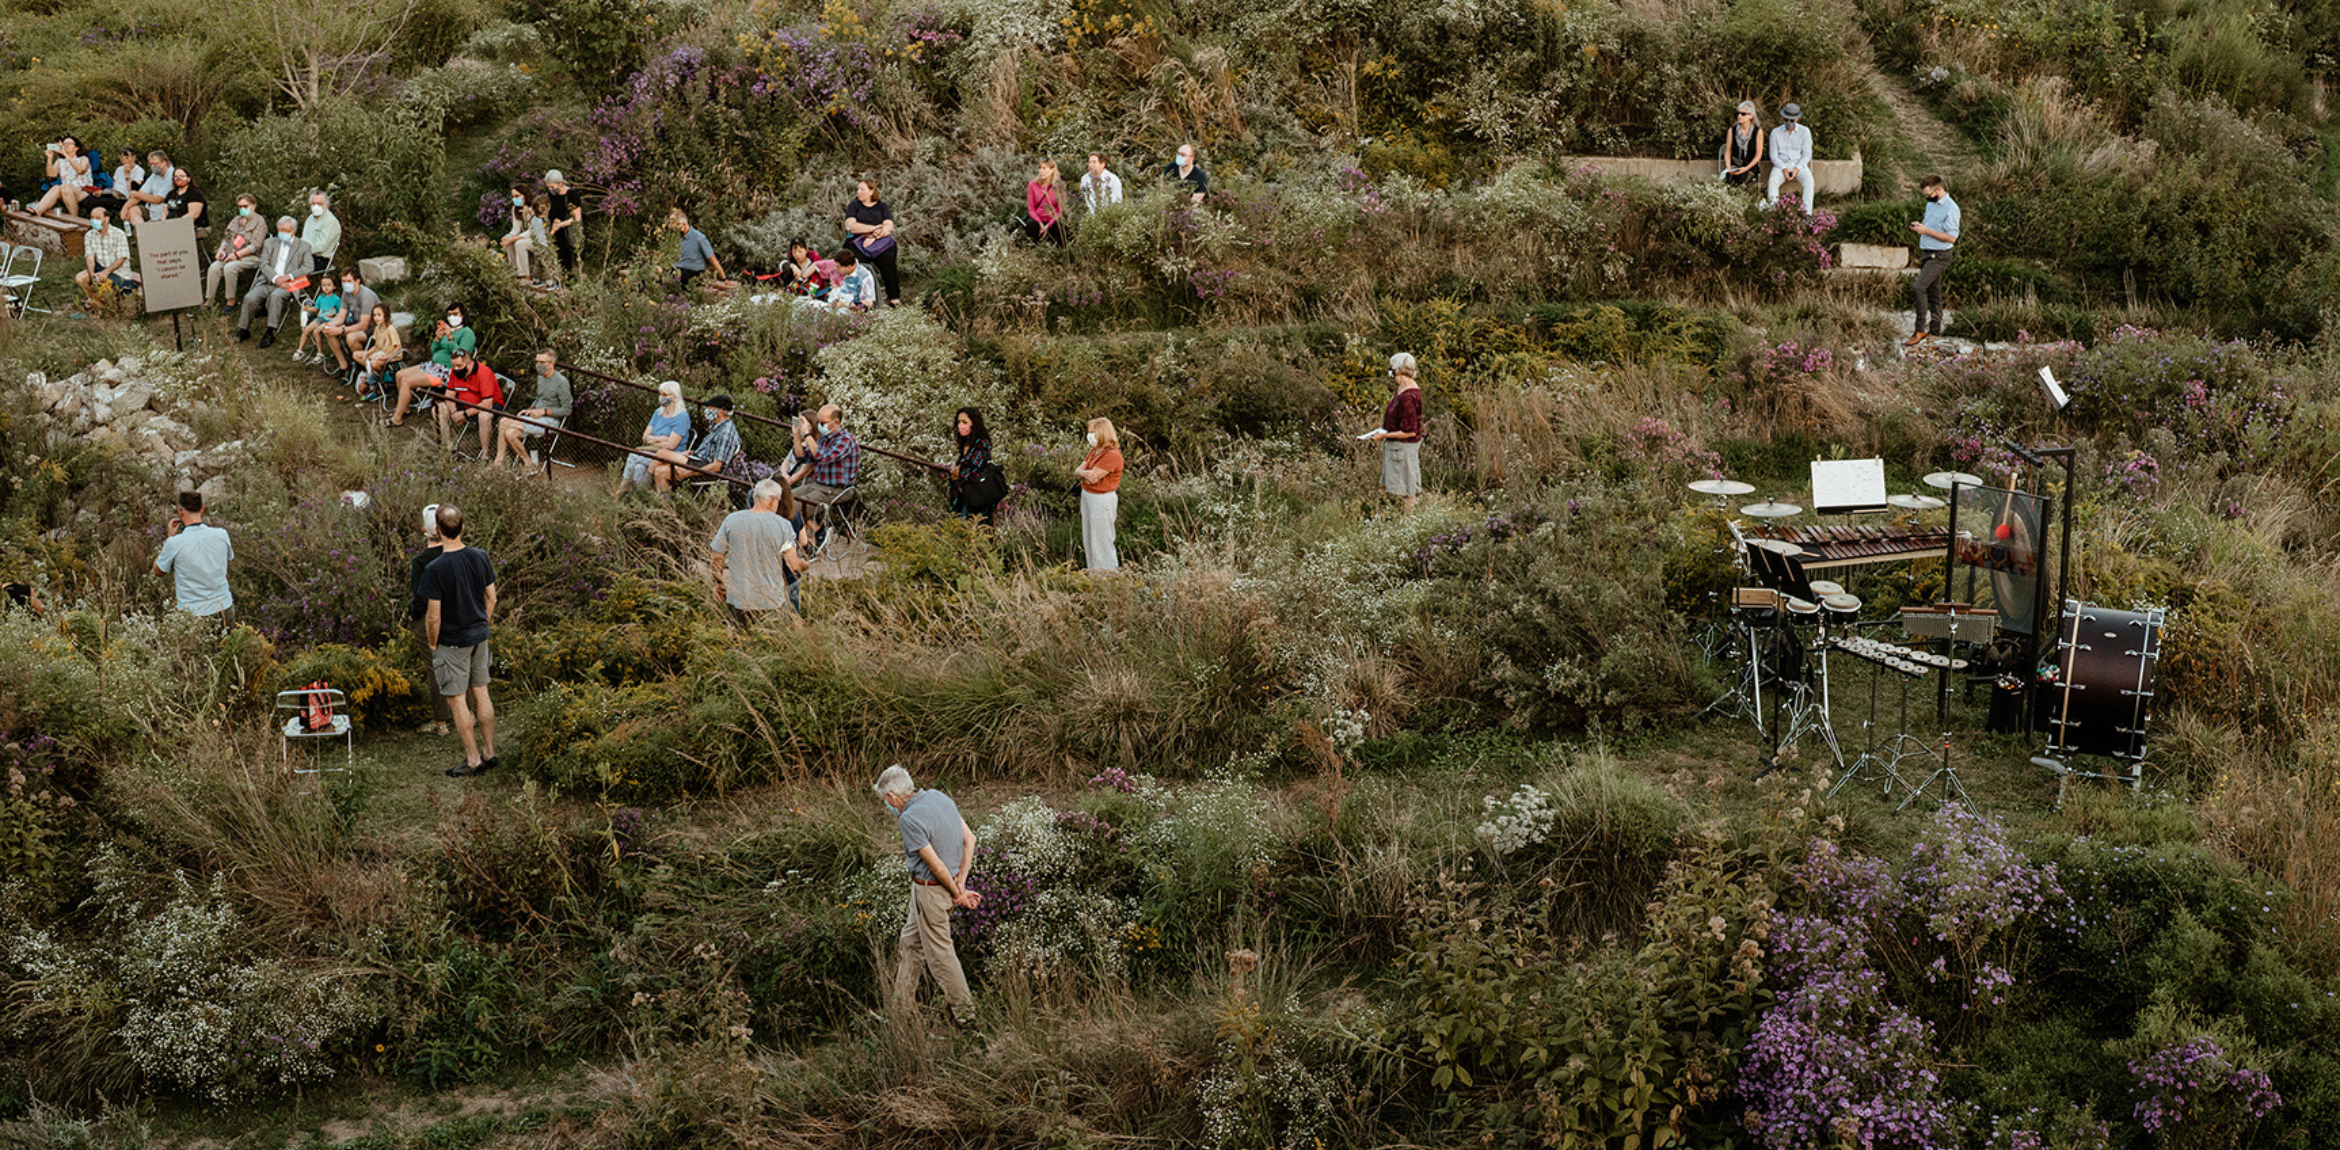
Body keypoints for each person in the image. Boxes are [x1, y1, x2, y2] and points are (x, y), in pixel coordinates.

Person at [873, 764, 980, 1030]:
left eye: (885, 802)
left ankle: (967, 1020)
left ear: (891, 797)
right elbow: (971, 839)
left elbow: (937, 866)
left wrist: (960, 893)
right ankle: (900, 1013)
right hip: (933, 888)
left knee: (941, 957)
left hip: (931, 891)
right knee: (910, 943)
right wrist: (961, 883)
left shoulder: (908, 819)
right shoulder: (939, 797)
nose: (888, 807)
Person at [421, 503, 498, 778]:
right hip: (479, 636)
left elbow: (433, 618)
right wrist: (482, 622)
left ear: (438, 531)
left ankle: (474, 759)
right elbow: (492, 598)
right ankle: (490, 751)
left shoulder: (434, 568)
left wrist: (432, 644)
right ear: (463, 528)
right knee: (482, 692)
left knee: (457, 700)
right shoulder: (480, 556)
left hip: (452, 642)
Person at [710, 477, 812, 621]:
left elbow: (717, 557)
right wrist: (805, 565)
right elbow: (793, 564)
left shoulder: (731, 520)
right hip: (771, 600)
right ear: (773, 500)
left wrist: (718, 583)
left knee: (741, 639)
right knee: (770, 640)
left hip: (739, 598)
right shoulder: (783, 525)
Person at [388, 304, 478, 426]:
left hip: (448, 371)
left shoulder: (467, 333)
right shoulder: (448, 330)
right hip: (434, 365)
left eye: (455, 314)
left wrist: (451, 338)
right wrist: (437, 339)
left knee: (407, 381)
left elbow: (461, 357)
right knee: (399, 374)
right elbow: (434, 350)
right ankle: (405, 408)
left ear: (462, 315)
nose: (452, 317)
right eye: (449, 315)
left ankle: (397, 418)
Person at [407, 502, 452, 737]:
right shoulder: (457, 553)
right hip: (454, 615)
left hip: (428, 619)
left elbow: (419, 597)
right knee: (458, 664)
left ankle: (441, 722)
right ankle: (468, 713)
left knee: (434, 667)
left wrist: (413, 614)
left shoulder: (421, 561)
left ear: (424, 531)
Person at [787, 404, 860, 548]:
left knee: (792, 508)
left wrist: (808, 435)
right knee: (784, 498)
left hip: (836, 489)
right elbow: (802, 456)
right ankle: (818, 532)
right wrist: (797, 435)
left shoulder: (845, 440)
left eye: (822, 423)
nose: (819, 426)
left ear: (836, 422)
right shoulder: (825, 439)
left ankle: (806, 544)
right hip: (818, 485)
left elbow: (823, 457)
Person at [153, 490, 233, 618]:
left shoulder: (174, 543)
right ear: (202, 509)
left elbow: (158, 571)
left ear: (180, 512)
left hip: (194, 613)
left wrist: (169, 538)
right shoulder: (222, 534)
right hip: (224, 606)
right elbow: (226, 570)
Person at [235, 217, 312, 348]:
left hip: (288, 284)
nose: (283, 232)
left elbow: (308, 267)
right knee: (250, 298)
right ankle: (243, 329)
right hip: (269, 281)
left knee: (275, 297)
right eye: (280, 229)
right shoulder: (270, 243)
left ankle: (270, 331)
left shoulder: (304, 246)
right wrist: (276, 278)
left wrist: (288, 276)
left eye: (286, 230)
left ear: (293, 231)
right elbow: (263, 263)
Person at [1362, 352, 1423, 512]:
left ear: (1398, 370)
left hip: (1403, 448)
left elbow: (1410, 432)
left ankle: (1409, 525)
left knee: (1408, 490)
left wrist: (1384, 435)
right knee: (1397, 487)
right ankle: (1398, 519)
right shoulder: (1401, 389)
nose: (1390, 373)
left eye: (1392, 370)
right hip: (1396, 447)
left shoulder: (1408, 397)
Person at [1907, 174, 1961, 348]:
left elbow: (1952, 238)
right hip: (1927, 252)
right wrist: (1920, 226)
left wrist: (1926, 231)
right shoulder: (1931, 204)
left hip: (1939, 256)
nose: (1927, 197)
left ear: (1938, 190)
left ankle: (1919, 329)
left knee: (1919, 287)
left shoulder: (1951, 208)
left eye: (1929, 193)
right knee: (1933, 292)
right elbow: (1930, 226)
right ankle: (1935, 330)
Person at [493, 350, 572, 469]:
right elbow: (539, 398)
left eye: (542, 362)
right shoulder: (541, 378)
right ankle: (529, 464)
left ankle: (498, 464)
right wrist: (529, 410)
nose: (538, 365)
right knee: (510, 433)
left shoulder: (561, 382)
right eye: (537, 362)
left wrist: (543, 411)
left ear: (552, 364)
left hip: (550, 421)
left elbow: (567, 410)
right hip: (535, 417)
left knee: (504, 421)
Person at [652, 393, 742, 492]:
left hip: (703, 468)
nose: (707, 410)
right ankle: (665, 504)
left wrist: (689, 472)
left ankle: (638, 487)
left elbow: (716, 466)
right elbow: (711, 451)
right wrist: (694, 452)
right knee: (660, 471)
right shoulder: (719, 427)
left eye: (710, 408)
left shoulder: (726, 432)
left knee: (661, 453)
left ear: (720, 412)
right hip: (698, 461)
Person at [622, 380, 694, 489]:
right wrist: (663, 439)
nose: (661, 397)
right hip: (652, 451)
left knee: (633, 456)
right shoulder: (658, 413)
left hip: (670, 455)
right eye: (660, 394)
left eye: (665, 395)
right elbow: (645, 437)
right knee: (638, 467)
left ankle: (621, 489)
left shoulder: (682, 417)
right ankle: (639, 495)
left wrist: (653, 439)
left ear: (674, 397)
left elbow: (671, 445)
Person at [435, 349, 506, 456]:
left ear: (469, 363)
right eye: (453, 366)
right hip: (465, 404)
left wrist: (464, 415)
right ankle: (447, 447)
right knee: (439, 408)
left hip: (488, 405)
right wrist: (454, 413)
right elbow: (449, 395)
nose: (455, 369)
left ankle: (485, 454)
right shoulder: (455, 373)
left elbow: (487, 403)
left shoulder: (483, 373)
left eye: (459, 365)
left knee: (484, 416)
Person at [1074, 417, 1123, 573]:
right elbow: (1078, 472)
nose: (1090, 436)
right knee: (1089, 539)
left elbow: (1095, 477)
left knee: (1102, 539)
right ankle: (1094, 574)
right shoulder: (1095, 451)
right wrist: (1084, 474)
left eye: (1093, 432)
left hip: (1101, 499)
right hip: (1088, 495)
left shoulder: (1112, 455)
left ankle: (1108, 576)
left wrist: (1084, 473)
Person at [842, 178, 899, 306]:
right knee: (860, 266)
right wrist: (873, 229)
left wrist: (873, 236)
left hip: (879, 242)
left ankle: (894, 297)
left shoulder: (882, 206)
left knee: (888, 263)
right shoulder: (854, 206)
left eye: (862, 189)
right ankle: (862, 298)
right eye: (858, 189)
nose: (859, 192)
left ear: (871, 191)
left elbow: (888, 225)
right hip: (857, 242)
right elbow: (850, 225)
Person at [205, 193, 267, 307]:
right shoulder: (236, 220)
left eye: (245, 206)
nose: (242, 209)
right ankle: (209, 300)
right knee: (214, 268)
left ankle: (231, 301)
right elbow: (227, 238)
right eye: (240, 206)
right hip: (230, 253)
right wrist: (221, 249)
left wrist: (237, 255)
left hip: (251, 256)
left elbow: (255, 245)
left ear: (253, 206)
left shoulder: (259, 221)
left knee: (230, 267)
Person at [73, 208, 137, 303]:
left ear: (106, 219)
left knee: (112, 285)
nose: (94, 220)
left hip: (118, 271)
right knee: (80, 278)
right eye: (92, 218)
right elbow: (90, 257)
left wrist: (105, 272)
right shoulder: (89, 235)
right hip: (99, 268)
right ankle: (99, 303)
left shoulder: (119, 234)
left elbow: (121, 259)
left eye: (98, 218)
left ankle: (101, 302)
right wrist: (92, 275)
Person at [324, 266, 379, 375]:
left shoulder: (365, 296)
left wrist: (341, 330)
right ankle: (344, 366)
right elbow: (341, 315)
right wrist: (329, 325)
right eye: (344, 281)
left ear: (357, 281)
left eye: (349, 281)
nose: (346, 284)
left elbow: (364, 325)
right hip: (356, 321)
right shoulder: (346, 293)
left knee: (351, 337)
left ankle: (360, 366)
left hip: (373, 327)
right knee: (329, 331)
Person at [27, 137, 93, 220]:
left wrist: (65, 154)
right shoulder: (60, 161)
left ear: (76, 148)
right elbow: (51, 174)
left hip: (84, 190)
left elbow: (80, 170)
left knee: (65, 187)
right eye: (64, 144)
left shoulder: (83, 159)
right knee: (56, 187)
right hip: (65, 191)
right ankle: (37, 211)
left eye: (69, 144)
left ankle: (75, 219)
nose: (66, 146)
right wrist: (49, 158)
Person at [1765, 104, 1814, 212]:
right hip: (1781, 164)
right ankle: (1774, 212)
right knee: (1773, 181)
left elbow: (1807, 154)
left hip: (1799, 164)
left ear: (1797, 119)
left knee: (1809, 181)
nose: (1789, 122)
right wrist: (1784, 168)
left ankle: (1807, 212)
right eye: (1787, 119)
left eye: (1792, 120)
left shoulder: (1805, 131)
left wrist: (1797, 169)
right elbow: (1773, 155)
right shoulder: (1776, 132)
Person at [947, 406, 993, 521]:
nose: (961, 425)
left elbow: (973, 469)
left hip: (975, 499)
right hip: (961, 497)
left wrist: (958, 473)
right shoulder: (965, 444)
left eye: (965, 422)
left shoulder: (982, 443)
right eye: (959, 422)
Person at [670, 207, 730, 291]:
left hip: (693, 271)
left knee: (681, 279)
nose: (676, 230)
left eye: (677, 227)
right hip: (679, 269)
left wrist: (724, 279)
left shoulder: (699, 238)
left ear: (684, 224)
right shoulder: (677, 238)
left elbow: (713, 259)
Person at [292, 270, 344, 366]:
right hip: (320, 318)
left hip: (330, 320)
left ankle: (320, 353)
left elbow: (340, 313)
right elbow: (317, 309)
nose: (326, 287)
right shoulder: (321, 297)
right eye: (324, 285)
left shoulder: (337, 299)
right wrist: (308, 309)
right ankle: (300, 350)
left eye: (329, 285)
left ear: (334, 286)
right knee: (306, 330)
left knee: (316, 332)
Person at [353, 304, 403, 401]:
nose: (376, 318)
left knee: (374, 363)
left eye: (379, 315)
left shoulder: (390, 329)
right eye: (374, 315)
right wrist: (367, 354)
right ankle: (375, 374)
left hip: (390, 355)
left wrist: (386, 357)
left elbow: (398, 347)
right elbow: (376, 346)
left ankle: (379, 376)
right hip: (380, 353)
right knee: (356, 354)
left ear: (385, 315)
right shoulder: (377, 328)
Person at [82, 146, 143, 219]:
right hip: (114, 194)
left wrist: (127, 175)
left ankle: (104, 217)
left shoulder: (139, 171)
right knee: (88, 200)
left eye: (127, 158)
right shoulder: (119, 169)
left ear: (133, 158)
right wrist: (102, 192)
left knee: (96, 202)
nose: (124, 161)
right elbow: (115, 186)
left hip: (124, 198)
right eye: (122, 158)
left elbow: (132, 191)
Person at [544, 169, 583, 278]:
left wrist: (561, 224)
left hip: (567, 232)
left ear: (560, 183)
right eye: (549, 187)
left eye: (552, 187)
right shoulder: (551, 194)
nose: (550, 189)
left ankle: (569, 281)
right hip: (554, 231)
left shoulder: (572, 195)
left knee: (567, 258)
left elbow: (577, 218)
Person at [1720, 100, 1766, 187]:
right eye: (1738, 113)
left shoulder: (1757, 131)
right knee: (1727, 179)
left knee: (1743, 179)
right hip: (1735, 164)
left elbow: (1758, 154)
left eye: (1743, 114)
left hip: (1750, 166)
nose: (1739, 116)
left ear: (1751, 116)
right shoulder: (1732, 130)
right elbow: (1728, 150)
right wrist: (1728, 166)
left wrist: (1746, 168)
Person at [499, 196, 543, 283]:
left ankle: (525, 275)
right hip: (524, 236)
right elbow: (516, 228)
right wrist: (508, 237)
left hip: (537, 237)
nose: (515, 199)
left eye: (517, 196)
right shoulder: (515, 209)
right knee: (510, 244)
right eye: (513, 196)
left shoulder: (533, 207)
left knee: (520, 244)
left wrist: (529, 213)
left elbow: (532, 231)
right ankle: (514, 272)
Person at [1022, 160, 1066, 246]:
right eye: (1040, 168)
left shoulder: (1059, 185)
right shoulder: (1032, 185)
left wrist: (1048, 225)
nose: (1041, 171)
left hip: (1052, 219)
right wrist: (1040, 223)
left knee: (1060, 227)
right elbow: (1031, 209)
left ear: (1052, 170)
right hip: (1038, 219)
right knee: (1030, 225)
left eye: (1044, 168)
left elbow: (1059, 210)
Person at [123, 151, 175, 223]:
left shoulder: (173, 176)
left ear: (164, 162)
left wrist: (136, 194)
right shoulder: (155, 175)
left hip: (166, 213)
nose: (152, 167)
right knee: (133, 210)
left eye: (155, 164)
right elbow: (142, 192)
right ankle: (142, 232)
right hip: (151, 211)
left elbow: (158, 199)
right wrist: (125, 208)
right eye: (150, 164)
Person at [302, 190, 341, 273]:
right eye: (313, 204)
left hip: (320, 259)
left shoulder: (330, 222)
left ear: (326, 205)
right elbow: (304, 239)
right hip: (306, 256)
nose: (316, 206)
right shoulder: (310, 219)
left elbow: (320, 247)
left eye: (319, 203)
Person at [161, 166, 207, 235]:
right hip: (170, 226)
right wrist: (164, 224)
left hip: (192, 227)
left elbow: (193, 215)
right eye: (176, 177)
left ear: (188, 179)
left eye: (182, 176)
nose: (178, 179)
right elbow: (164, 212)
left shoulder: (195, 194)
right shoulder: (170, 194)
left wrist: (176, 225)